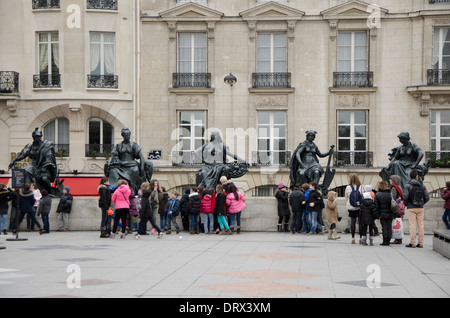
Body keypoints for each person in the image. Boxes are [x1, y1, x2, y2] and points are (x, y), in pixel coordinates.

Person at [104, 127, 153, 194]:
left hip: (132, 164)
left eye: (128, 135)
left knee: (135, 170)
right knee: (113, 170)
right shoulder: (118, 145)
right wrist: (109, 163)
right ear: (123, 136)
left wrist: (141, 168)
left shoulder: (134, 145)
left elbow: (141, 157)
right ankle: (114, 188)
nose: (128, 136)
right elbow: (112, 156)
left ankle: (133, 188)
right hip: (121, 165)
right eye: (126, 135)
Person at [8, 128, 57, 193]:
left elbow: (49, 157)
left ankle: (49, 192)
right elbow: (23, 155)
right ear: (33, 137)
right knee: (25, 170)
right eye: (35, 137)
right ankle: (28, 190)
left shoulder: (46, 146)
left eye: (38, 137)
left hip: (44, 166)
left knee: (44, 179)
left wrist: (45, 167)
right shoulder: (31, 146)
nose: (37, 138)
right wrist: (14, 160)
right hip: (34, 165)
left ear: (40, 137)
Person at [403, 170, 429, 248]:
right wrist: (421, 203)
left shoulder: (407, 186)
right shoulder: (422, 186)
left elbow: (405, 197)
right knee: (421, 225)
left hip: (411, 207)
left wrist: (407, 204)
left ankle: (412, 242)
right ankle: (420, 242)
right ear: (417, 176)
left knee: (412, 225)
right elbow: (427, 197)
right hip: (420, 207)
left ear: (410, 177)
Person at [345, 174, 364, 244]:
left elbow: (346, 197)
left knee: (352, 222)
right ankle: (361, 238)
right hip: (360, 207)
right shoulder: (362, 187)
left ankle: (353, 238)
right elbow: (363, 197)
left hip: (351, 207)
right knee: (360, 222)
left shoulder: (348, 187)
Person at [374, 181, 394, 246]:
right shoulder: (391, 194)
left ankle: (385, 241)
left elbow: (376, 206)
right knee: (389, 226)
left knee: (384, 227)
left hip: (382, 214)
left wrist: (377, 215)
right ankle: (388, 240)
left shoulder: (377, 194)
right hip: (390, 213)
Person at [389, 175, 404, 244]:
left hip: (396, 207)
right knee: (399, 221)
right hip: (400, 207)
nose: (389, 181)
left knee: (396, 221)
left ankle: (397, 238)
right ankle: (399, 238)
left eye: (391, 179)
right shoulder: (399, 187)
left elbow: (393, 198)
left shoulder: (394, 188)